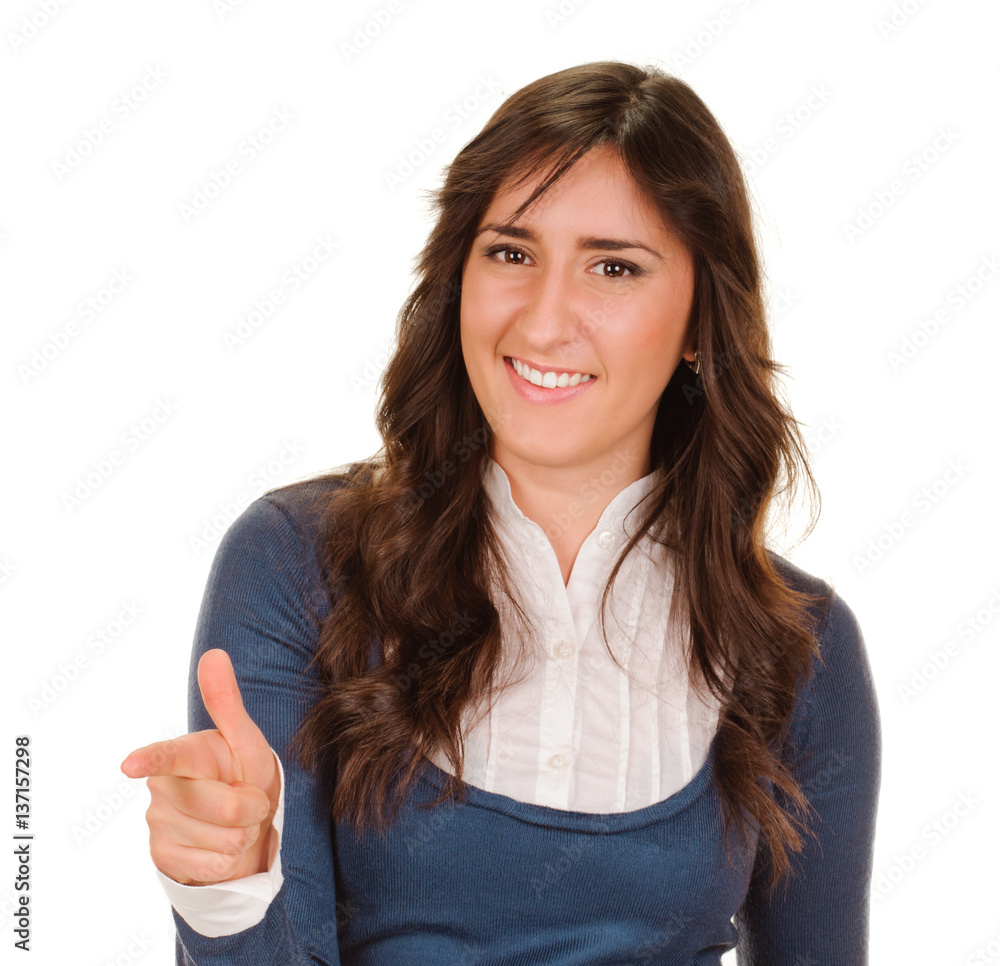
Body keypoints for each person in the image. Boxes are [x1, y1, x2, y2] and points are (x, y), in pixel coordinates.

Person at [121, 59, 881, 964]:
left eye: (613, 267)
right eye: (511, 254)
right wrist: (229, 891)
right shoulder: (297, 563)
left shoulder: (800, 646)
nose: (544, 321)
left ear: (699, 323)